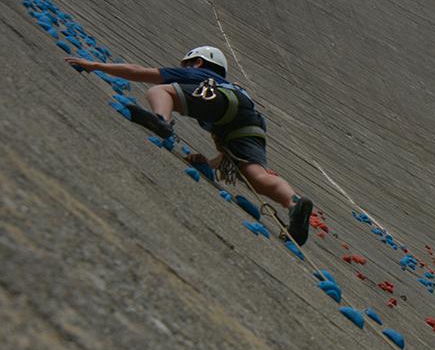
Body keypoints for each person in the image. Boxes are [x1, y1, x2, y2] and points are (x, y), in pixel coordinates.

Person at [65, 46, 313, 245]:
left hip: (223, 103)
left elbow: (137, 71)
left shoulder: (200, 74)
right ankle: (293, 203)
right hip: (250, 119)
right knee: (256, 175)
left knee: (162, 91)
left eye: (187, 64)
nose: (185, 69)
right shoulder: (236, 89)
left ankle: (162, 121)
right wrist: (208, 162)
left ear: (198, 62)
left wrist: (94, 65)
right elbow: (227, 151)